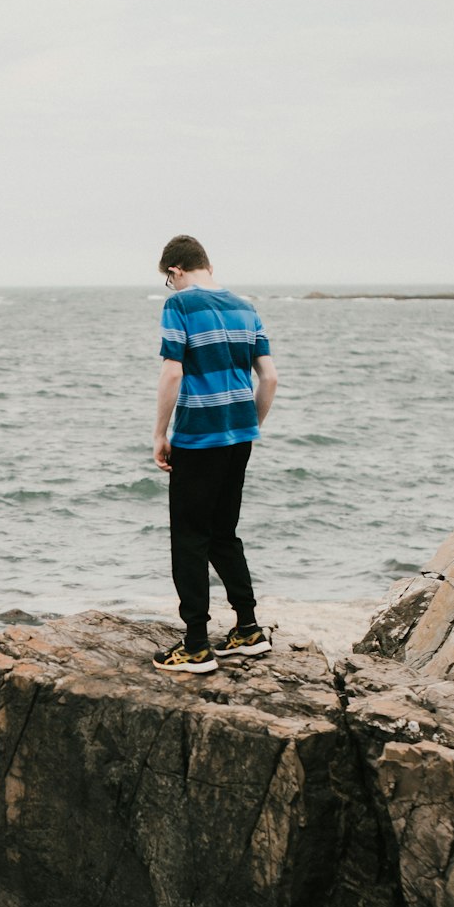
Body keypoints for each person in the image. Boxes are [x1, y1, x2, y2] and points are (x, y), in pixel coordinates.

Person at [150, 234, 278, 674]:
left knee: (189, 537)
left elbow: (172, 373)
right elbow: (270, 378)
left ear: (175, 271)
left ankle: (197, 645)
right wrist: (249, 425)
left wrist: (159, 434)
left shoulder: (179, 305)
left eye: (170, 280)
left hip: (198, 437)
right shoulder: (245, 307)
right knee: (224, 532)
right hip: (239, 435)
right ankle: (247, 628)